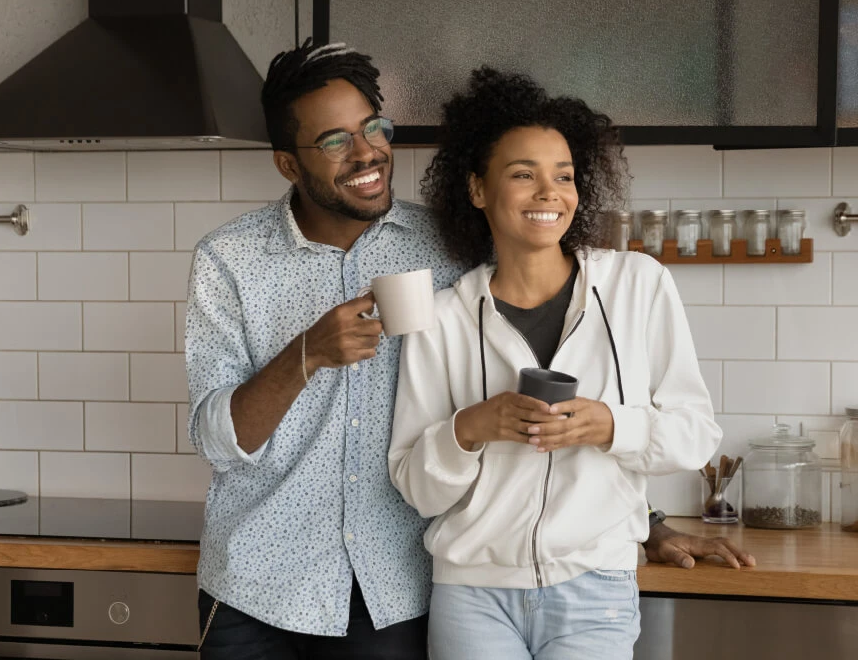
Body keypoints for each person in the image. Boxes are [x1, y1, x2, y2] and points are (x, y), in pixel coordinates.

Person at [186, 41, 753, 660]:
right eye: (334, 140)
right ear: (288, 165)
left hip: (391, 588)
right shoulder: (230, 261)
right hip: (257, 586)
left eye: (372, 128)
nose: (366, 152)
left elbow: (556, 370)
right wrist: (307, 355)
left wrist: (648, 523)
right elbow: (218, 441)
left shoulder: (447, 248)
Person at [389, 67, 738, 660]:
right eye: (523, 175)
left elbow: (695, 435)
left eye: (564, 176)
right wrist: (472, 428)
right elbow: (417, 488)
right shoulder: (443, 317)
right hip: (473, 594)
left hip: (595, 587)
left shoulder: (638, 285)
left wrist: (610, 425)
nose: (549, 193)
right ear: (477, 190)